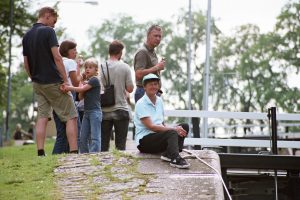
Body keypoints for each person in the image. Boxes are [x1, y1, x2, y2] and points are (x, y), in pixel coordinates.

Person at [22, 7, 78, 156]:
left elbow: (26, 64)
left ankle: (40, 152)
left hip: (38, 84)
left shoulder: (27, 36)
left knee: (42, 117)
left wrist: (33, 78)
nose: (54, 25)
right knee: (71, 115)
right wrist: (65, 81)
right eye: (54, 21)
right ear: (47, 16)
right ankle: (74, 151)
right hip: (53, 82)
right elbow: (57, 57)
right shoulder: (48, 32)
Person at [134, 74, 190, 169]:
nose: (154, 86)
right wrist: (172, 130)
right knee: (172, 131)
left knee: (184, 126)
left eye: (155, 84)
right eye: (151, 84)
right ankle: (175, 159)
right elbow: (151, 127)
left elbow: (161, 123)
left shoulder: (159, 101)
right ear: (144, 87)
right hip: (144, 142)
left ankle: (169, 154)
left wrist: (173, 130)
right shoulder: (141, 104)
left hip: (157, 138)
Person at [100, 40, 134, 151]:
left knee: (103, 145)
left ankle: (103, 166)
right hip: (121, 108)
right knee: (120, 146)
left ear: (109, 52)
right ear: (120, 52)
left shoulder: (100, 67)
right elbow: (130, 88)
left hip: (104, 109)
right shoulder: (124, 67)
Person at [63, 58, 102, 153]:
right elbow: (80, 97)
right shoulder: (87, 82)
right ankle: (84, 155)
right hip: (87, 112)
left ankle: (95, 154)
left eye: (90, 67)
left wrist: (69, 87)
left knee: (95, 137)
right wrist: (82, 84)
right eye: (86, 67)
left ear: (96, 70)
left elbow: (80, 90)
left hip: (95, 112)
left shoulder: (94, 80)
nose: (87, 69)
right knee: (83, 137)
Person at [52, 40, 82, 154]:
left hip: (56, 96)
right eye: (73, 49)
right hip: (68, 95)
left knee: (61, 133)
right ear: (67, 51)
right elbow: (75, 83)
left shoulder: (56, 62)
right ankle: (75, 155)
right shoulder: (70, 62)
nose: (76, 52)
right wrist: (80, 71)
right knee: (75, 129)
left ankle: (56, 157)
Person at [134, 24, 166, 103]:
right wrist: (157, 67)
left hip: (153, 92)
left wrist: (157, 68)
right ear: (148, 36)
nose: (158, 39)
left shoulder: (152, 51)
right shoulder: (142, 52)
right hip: (144, 92)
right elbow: (138, 74)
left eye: (159, 36)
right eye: (155, 36)